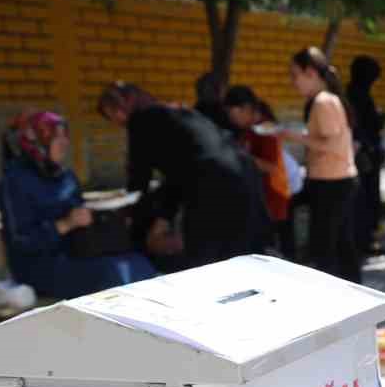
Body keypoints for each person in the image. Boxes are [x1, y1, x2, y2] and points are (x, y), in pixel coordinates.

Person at [97, 82, 272, 270]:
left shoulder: (140, 120)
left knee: (206, 263)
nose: (116, 119)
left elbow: (139, 181)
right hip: (243, 171)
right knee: (243, 260)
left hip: (213, 181)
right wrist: (163, 218)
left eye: (113, 112)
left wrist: (134, 220)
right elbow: (179, 172)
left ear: (124, 105)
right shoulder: (173, 115)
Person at [0, 109, 156, 298]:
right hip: (38, 267)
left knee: (138, 262)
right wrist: (65, 224)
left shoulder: (65, 177)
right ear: (37, 143)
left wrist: (105, 210)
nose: (65, 143)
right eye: (57, 138)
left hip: (76, 254)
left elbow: (79, 213)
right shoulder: (14, 181)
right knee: (114, 273)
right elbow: (21, 241)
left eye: (66, 136)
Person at [278, 47, 361, 283]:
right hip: (334, 181)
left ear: (311, 72)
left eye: (295, 75)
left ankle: (338, 303)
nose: (293, 82)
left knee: (326, 250)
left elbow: (333, 144)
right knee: (342, 246)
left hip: (331, 183)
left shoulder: (323, 101)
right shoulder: (326, 100)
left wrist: (293, 136)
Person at [223, 86, 296, 260]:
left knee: (270, 253)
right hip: (259, 198)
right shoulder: (247, 130)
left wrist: (237, 154)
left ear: (245, 109)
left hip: (273, 197)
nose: (231, 119)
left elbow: (271, 167)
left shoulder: (265, 130)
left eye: (233, 114)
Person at [346, 55, 385, 260]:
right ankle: (363, 242)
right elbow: (359, 127)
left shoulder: (357, 93)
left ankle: (368, 240)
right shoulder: (356, 96)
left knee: (368, 199)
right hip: (364, 157)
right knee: (364, 199)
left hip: (368, 155)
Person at [194, 72, 238, 137]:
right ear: (217, 90)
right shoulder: (223, 115)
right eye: (224, 87)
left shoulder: (195, 112)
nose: (227, 91)